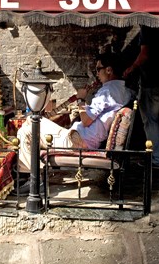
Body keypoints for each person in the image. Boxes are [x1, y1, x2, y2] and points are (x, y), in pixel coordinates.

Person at [16, 52, 135, 193]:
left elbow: (86, 120)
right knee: (30, 122)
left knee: (27, 128)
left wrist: (81, 99)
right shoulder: (125, 90)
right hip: (81, 138)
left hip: (76, 141)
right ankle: (34, 174)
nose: (96, 73)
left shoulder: (107, 92)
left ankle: (35, 180)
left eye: (98, 70)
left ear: (108, 70)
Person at [123, 25, 159, 170]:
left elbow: (144, 54)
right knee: (156, 119)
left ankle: (156, 159)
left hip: (151, 82)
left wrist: (131, 68)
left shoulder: (147, 28)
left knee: (149, 120)